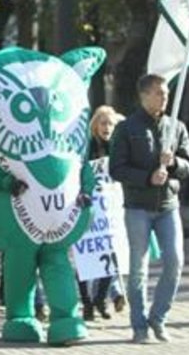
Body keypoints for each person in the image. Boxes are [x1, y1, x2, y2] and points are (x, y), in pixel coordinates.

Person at [109, 74, 189, 344]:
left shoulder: (176, 127)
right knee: (138, 269)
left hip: (168, 205)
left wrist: (173, 165)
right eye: (159, 93)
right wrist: (147, 177)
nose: (165, 98)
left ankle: (158, 318)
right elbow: (116, 169)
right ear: (144, 96)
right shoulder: (127, 128)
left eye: (167, 93)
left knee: (175, 261)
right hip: (137, 207)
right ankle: (139, 325)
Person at [79, 105, 124, 321]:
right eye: (103, 123)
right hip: (88, 206)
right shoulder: (85, 147)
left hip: (110, 209)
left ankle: (100, 297)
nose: (107, 127)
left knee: (111, 254)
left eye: (111, 124)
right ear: (95, 125)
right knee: (85, 256)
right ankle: (87, 303)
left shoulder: (118, 148)